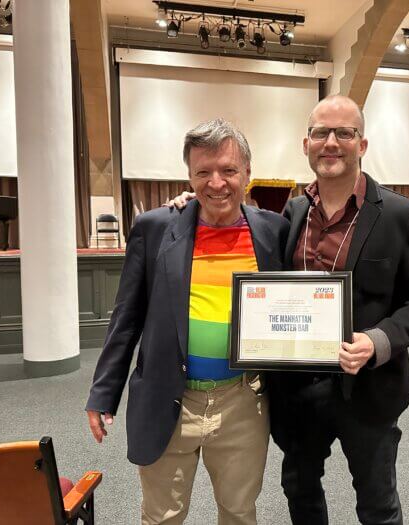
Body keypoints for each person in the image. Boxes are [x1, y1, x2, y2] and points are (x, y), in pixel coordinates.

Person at [171, 95, 409, 525]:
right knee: (300, 489)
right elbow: (234, 216)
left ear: (362, 144)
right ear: (306, 144)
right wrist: (193, 206)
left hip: (367, 388)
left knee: (377, 501)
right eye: (321, 133)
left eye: (344, 133)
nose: (331, 142)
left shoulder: (399, 215)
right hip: (298, 389)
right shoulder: (292, 213)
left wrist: (378, 340)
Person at [86, 118, 289, 525]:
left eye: (228, 170)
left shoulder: (274, 231)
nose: (217, 183)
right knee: (162, 516)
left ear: (247, 173)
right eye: (203, 172)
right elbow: (126, 317)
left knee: (238, 513)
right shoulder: (156, 228)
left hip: (242, 401)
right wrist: (103, 391)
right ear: (189, 176)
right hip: (168, 395)